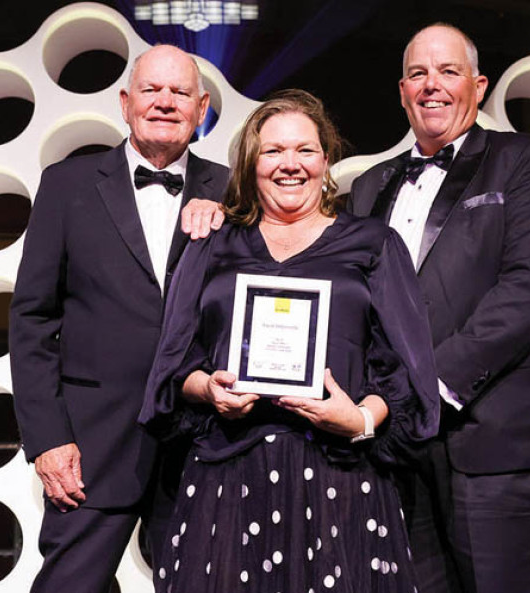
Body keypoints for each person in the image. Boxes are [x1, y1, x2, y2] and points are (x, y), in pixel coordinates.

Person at [140, 89, 440, 593]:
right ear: (250, 162)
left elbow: (404, 370)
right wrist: (206, 388)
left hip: (341, 473)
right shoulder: (212, 241)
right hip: (229, 471)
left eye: (304, 149)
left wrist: (361, 419)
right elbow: (175, 360)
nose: (290, 164)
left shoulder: (373, 243)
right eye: (273, 150)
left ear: (326, 159)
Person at [348, 24, 530, 593]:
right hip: (396, 446)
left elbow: (529, 285)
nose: (432, 86)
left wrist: (432, 384)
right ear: (401, 91)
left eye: (448, 72)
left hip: (495, 438)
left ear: (479, 84)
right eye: (418, 74)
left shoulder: (525, 161)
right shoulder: (371, 186)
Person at [10, 44, 229, 592]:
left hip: (203, 443)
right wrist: (46, 438)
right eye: (152, 90)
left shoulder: (231, 191)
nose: (165, 102)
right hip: (90, 443)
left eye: (179, 93)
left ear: (202, 109)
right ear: (126, 103)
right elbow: (31, 319)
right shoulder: (67, 185)